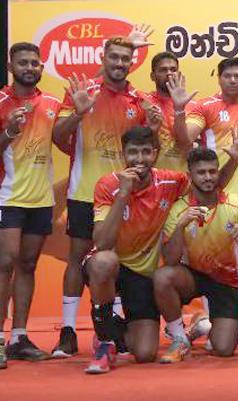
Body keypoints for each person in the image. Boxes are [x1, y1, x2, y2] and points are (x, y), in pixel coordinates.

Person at [82, 126, 238, 374]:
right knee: (104, 261)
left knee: (145, 353)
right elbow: (102, 243)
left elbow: (210, 184)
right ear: (123, 153)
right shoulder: (108, 185)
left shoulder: (171, 181)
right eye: (133, 152)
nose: (139, 159)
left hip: (143, 277)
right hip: (114, 267)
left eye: (146, 152)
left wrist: (233, 160)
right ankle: (105, 339)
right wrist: (124, 194)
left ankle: (119, 328)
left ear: (155, 154)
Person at [51, 37, 162, 358]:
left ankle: (112, 326)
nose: (119, 62)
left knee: (114, 262)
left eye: (125, 58)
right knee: (77, 259)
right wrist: (78, 113)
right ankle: (68, 332)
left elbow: (145, 147)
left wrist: (154, 127)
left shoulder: (139, 100)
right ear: (104, 57)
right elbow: (58, 136)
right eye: (113, 56)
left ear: (132, 62)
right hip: (85, 191)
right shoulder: (83, 91)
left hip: (124, 195)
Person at [154, 148, 238, 363]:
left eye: (212, 171)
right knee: (163, 277)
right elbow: (171, 260)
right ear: (190, 174)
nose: (208, 177)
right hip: (192, 276)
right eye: (201, 172)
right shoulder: (178, 209)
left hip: (227, 280)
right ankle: (179, 338)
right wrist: (180, 227)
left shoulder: (237, 204)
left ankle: (203, 325)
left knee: (223, 349)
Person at [0, 42, 62, 366]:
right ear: (11, 66)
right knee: (5, 262)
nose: (29, 67)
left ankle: (19, 337)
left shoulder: (52, 102)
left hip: (40, 198)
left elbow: (65, 139)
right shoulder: (0, 102)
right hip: (8, 195)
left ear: (41, 67)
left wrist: (78, 115)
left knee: (27, 265)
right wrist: (9, 130)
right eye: (22, 62)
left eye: (34, 63)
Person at [177, 57, 238, 220]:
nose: (232, 80)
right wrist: (179, 110)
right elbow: (185, 140)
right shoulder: (206, 106)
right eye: (227, 76)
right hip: (212, 191)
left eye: (237, 76)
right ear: (218, 78)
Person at [146, 51, 198, 172]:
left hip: (184, 177)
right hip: (153, 177)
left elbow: (187, 143)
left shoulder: (193, 105)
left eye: (173, 69)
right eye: (163, 70)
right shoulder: (143, 102)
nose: (169, 73)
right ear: (152, 76)